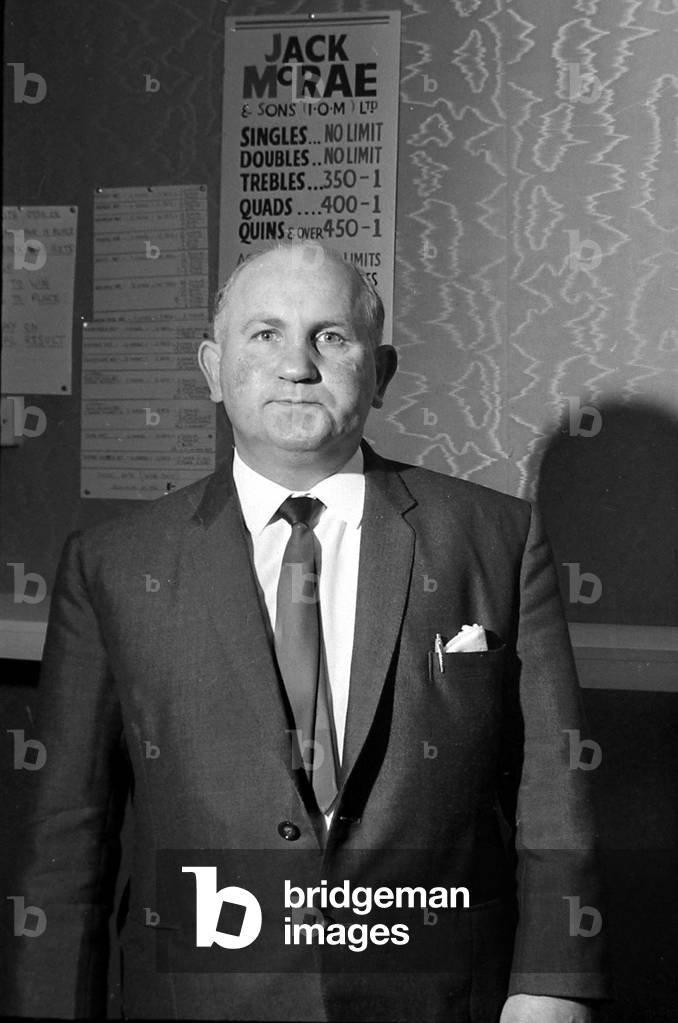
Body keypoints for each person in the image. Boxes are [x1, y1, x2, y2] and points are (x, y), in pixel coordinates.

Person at [5, 243, 607, 1021]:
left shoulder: (495, 538)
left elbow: (554, 788)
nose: (297, 364)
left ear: (381, 371)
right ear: (213, 369)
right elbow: (66, 837)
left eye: (331, 336)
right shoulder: (113, 566)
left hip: (435, 992)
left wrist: (554, 984)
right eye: (264, 335)